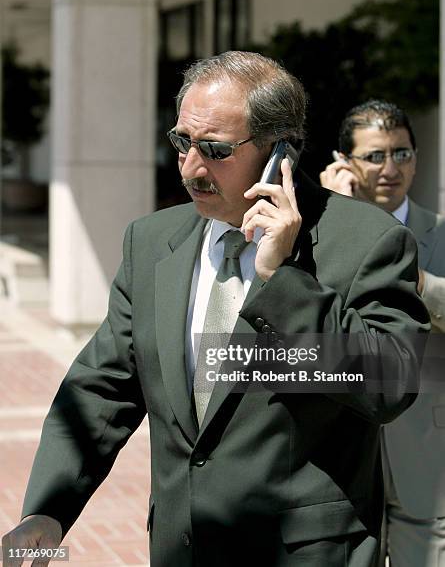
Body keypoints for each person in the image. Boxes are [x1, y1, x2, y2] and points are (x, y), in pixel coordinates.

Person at [2, 55, 429, 567]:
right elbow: (102, 388)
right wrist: (47, 512)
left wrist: (282, 279)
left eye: (216, 150)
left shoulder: (367, 240)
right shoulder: (152, 241)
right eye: (183, 142)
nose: (191, 167)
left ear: (279, 153)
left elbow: (388, 386)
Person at [320, 98, 445, 567]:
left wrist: (409, 274)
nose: (390, 168)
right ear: (344, 163)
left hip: (428, 454)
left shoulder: (441, 233)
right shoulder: (319, 231)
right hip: (344, 449)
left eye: (402, 153)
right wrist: (341, 221)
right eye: (375, 156)